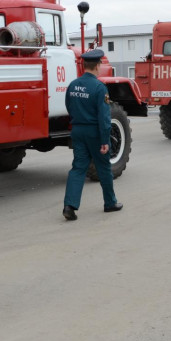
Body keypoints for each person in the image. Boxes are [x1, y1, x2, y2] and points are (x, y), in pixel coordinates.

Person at [62, 48, 122, 221]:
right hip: (94, 132)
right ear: (97, 66)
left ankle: (69, 205)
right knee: (103, 167)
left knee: (78, 168)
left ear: (84, 65)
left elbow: (69, 106)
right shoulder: (99, 87)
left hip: (78, 130)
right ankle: (110, 203)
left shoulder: (73, 85)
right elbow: (104, 117)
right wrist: (104, 140)